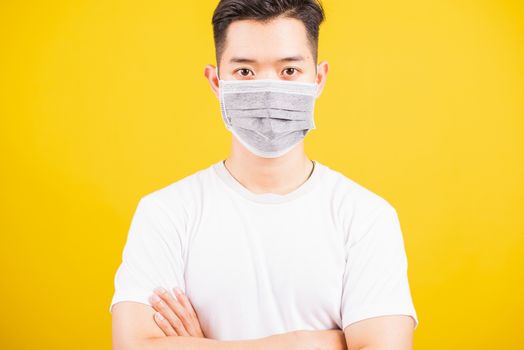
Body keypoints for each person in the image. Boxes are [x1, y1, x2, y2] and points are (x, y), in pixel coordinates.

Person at [110, 1, 419, 349]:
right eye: (245, 72)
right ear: (216, 81)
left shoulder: (365, 218)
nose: (269, 88)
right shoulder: (165, 214)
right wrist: (309, 342)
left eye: (289, 71)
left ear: (318, 79)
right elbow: (134, 346)